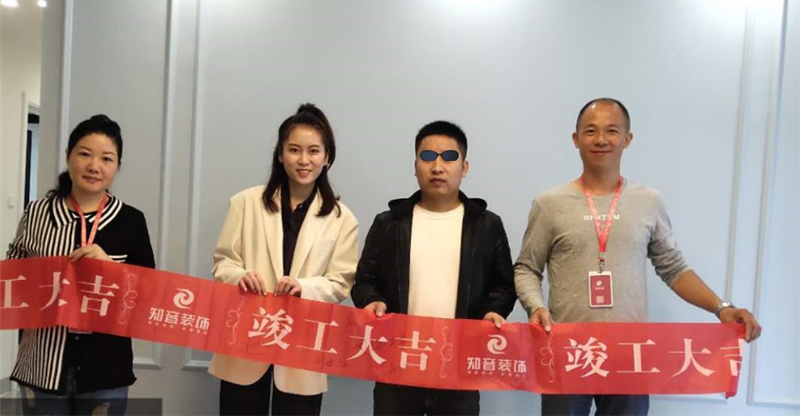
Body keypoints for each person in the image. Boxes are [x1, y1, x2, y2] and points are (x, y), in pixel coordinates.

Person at [514, 98, 762, 416]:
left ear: (627, 139)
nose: (601, 139)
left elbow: (673, 268)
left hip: (630, 355)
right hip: (568, 351)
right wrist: (536, 306)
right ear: (576, 139)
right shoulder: (549, 203)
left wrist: (722, 308)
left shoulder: (648, 201)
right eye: (590, 131)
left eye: (611, 131)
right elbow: (527, 267)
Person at [352, 120, 516, 416]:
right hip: (398, 365)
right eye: (427, 157)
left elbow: (503, 285)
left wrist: (492, 311)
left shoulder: (487, 225)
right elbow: (364, 281)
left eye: (449, 157)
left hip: (459, 368)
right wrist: (371, 301)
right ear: (415, 167)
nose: (437, 167)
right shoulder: (389, 223)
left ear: (464, 167)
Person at [208, 103, 359, 416]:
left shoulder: (342, 219)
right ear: (280, 154)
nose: (304, 160)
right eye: (294, 150)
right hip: (247, 339)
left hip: (302, 345)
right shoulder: (245, 203)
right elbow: (223, 263)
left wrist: (305, 287)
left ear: (327, 157)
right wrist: (240, 276)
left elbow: (341, 281)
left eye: (313, 151)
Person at [7, 114, 156, 416]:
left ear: (117, 166)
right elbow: (12, 275)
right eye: (85, 154)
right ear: (68, 156)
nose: (94, 166)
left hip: (106, 367)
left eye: (106, 158)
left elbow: (149, 291)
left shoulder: (130, 220)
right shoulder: (37, 213)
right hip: (42, 362)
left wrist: (111, 269)